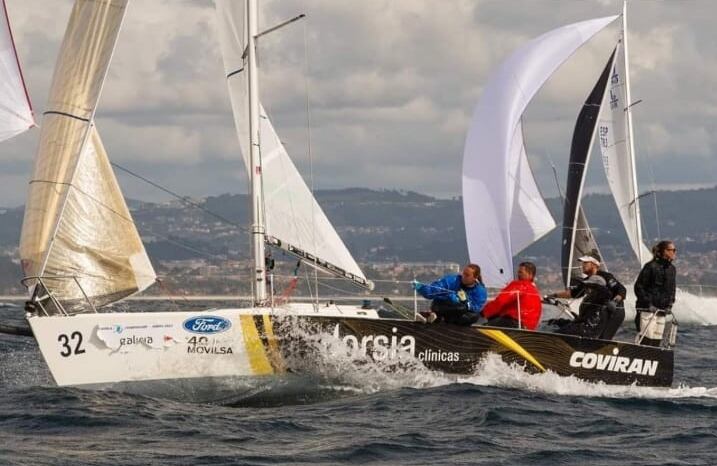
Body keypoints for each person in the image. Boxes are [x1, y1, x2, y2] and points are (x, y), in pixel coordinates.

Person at [548, 253, 626, 339]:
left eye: (585, 263)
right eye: (582, 263)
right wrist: (552, 295)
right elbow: (573, 293)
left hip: (615, 311)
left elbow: (621, 289)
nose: (582, 265)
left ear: (594, 264)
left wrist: (615, 301)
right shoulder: (587, 281)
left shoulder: (606, 277)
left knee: (603, 339)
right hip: (601, 313)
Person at [414, 264, 488, 326]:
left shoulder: (480, 291)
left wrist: (465, 302)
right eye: (463, 273)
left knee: (472, 315)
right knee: (437, 304)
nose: (463, 277)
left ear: (475, 277)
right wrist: (421, 288)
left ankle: (436, 318)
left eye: (467, 275)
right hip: (442, 307)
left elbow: (476, 307)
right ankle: (433, 316)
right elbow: (434, 290)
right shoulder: (452, 280)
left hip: (460, 315)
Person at [634, 240, 677, 346]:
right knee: (647, 337)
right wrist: (648, 304)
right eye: (671, 250)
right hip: (647, 309)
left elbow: (672, 289)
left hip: (662, 311)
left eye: (674, 250)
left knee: (657, 340)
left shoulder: (672, 269)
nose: (674, 252)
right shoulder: (650, 266)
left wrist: (670, 305)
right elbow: (639, 287)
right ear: (663, 251)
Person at [480, 262, 542, 330]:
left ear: (530, 275)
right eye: (518, 272)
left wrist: (483, 313)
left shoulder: (519, 285)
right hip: (528, 327)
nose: (518, 274)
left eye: (520, 272)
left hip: (513, 322)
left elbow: (500, 301)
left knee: (482, 327)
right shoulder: (535, 291)